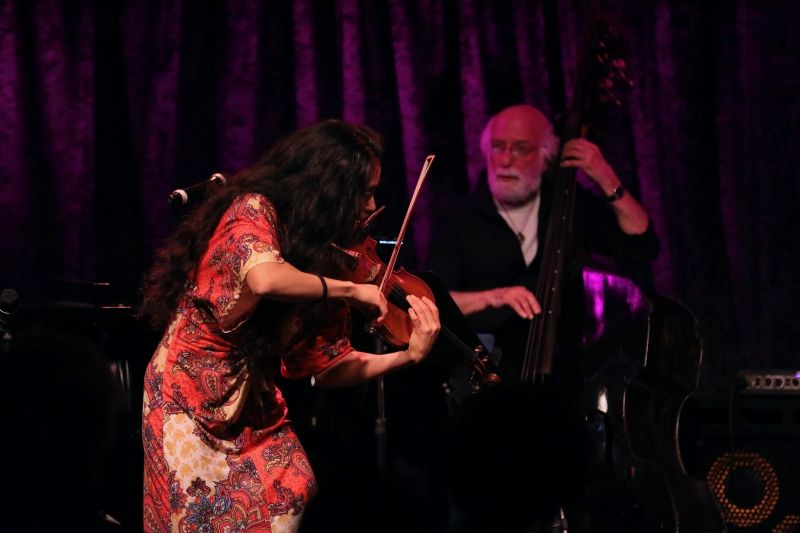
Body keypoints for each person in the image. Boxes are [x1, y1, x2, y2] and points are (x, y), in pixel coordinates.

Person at [139, 120, 441, 533]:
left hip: (249, 401)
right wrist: (348, 292)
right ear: (330, 187)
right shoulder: (253, 209)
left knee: (294, 494)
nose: (371, 207)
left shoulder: (325, 259)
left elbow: (329, 366)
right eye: (364, 192)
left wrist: (408, 356)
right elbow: (264, 277)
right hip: (186, 398)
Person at [426, 104, 659, 375]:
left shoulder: (565, 205)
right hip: (486, 379)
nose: (505, 160)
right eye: (498, 147)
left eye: (521, 149)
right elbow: (432, 302)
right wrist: (493, 297)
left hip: (569, 370)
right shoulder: (459, 219)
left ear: (546, 157)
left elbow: (642, 244)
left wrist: (606, 177)